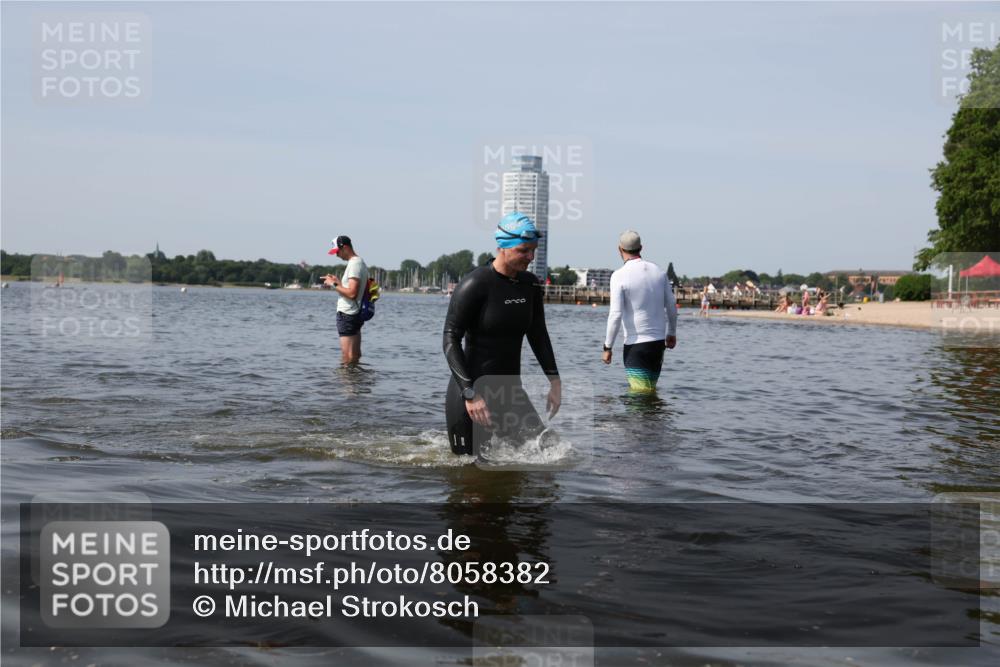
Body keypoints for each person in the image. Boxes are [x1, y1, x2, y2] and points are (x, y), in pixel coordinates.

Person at [442, 213, 561, 457]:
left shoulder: (529, 285)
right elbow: (450, 338)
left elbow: (538, 334)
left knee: (547, 455)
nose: (531, 257)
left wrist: (555, 381)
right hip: (473, 397)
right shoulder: (475, 283)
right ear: (503, 247)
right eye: (524, 250)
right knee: (472, 480)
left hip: (511, 393)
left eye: (534, 250)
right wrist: (470, 393)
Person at [602, 230, 678, 393]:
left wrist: (607, 347)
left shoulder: (619, 275)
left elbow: (615, 314)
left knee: (639, 396)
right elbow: (671, 304)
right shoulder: (659, 272)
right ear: (641, 248)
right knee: (650, 391)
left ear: (619, 249)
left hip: (635, 345)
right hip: (658, 344)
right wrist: (671, 333)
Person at [323, 235, 368, 365]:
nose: (336, 255)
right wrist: (338, 282)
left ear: (345, 247)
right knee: (354, 355)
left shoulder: (354, 264)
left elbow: (353, 293)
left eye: (337, 251)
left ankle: (347, 384)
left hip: (347, 314)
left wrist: (334, 285)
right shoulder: (359, 262)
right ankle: (355, 382)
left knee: (347, 357)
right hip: (354, 314)